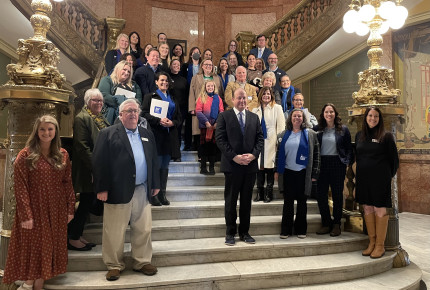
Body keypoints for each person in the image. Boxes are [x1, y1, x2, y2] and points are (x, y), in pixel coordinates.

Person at [3, 115, 75, 290]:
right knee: (36, 248)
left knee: (49, 247)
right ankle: (29, 284)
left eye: (50, 129)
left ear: (55, 131)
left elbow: (67, 182)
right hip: (35, 208)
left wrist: (70, 208)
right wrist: (26, 215)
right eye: (42, 129)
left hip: (57, 208)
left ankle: (37, 285)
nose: (46, 132)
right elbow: (20, 187)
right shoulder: (25, 155)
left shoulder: (62, 154)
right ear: (36, 131)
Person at [93, 99, 160, 281]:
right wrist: (101, 188)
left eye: (135, 111)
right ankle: (114, 265)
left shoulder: (146, 134)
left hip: (142, 189)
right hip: (116, 190)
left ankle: (142, 261)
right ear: (120, 115)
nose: (132, 114)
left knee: (143, 228)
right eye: (128, 111)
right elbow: (99, 164)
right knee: (114, 230)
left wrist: (155, 183)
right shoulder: (107, 134)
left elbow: (153, 159)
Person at [216, 88, 264, 246]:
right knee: (230, 201)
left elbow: (260, 139)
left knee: (246, 201)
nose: (242, 101)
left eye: (244, 98)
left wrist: (253, 155)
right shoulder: (224, 116)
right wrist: (235, 157)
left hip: (249, 166)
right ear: (232, 99)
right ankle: (230, 232)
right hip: (232, 165)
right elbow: (220, 140)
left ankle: (245, 232)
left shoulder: (254, 117)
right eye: (239, 98)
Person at [355, 106, 399, 259]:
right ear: (365, 117)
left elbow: (394, 161)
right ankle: (371, 242)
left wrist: (386, 176)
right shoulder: (359, 135)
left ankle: (380, 245)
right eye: (370, 116)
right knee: (367, 208)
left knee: (379, 209)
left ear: (379, 119)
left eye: (376, 116)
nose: (372, 119)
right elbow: (358, 157)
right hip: (363, 179)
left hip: (380, 180)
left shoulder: (386, 136)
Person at [68, 89, 109, 251]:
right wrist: (96, 168)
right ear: (87, 102)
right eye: (95, 100)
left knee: (88, 202)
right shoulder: (81, 118)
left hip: (97, 167)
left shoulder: (99, 117)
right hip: (88, 169)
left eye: (100, 100)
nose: (99, 103)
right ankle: (73, 238)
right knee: (85, 203)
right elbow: (82, 146)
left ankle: (76, 234)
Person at [276, 109, 320, 239]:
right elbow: (279, 154)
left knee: (302, 203)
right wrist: (277, 171)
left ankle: (301, 229)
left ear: (303, 118)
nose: (297, 118)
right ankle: (286, 230)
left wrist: (315, 173)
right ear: (290, 118)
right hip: (288, 173)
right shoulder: (283, 134)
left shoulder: (310, 134)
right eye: (294, 116)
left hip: (303, 173)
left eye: (299, 116)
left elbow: (316, 154)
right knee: (288, 202)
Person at [142, 71, 181, 206]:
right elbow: (144, 114)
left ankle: (163, 194)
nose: (164, 83)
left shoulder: (174, 98)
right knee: (156, 165)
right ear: (156, 82)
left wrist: (172, 123)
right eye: (162, 80)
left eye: (166, 81)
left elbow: (179, 118)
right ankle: (154, 195)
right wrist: (158, 120)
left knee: (165, 166)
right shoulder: (150, 97)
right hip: (156, 135)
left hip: (170, 136)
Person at [315, 103, 353, 237]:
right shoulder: (318, 129)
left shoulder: (343, 129)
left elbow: (349, 149)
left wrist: (346, 162)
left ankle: (336, 224)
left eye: (331, 112)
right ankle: (326, 223)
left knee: (337, 195)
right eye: (326, 112)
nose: (329, 114)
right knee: (321, 195)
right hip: (322, 164)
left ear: (335, 114)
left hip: (337, 164)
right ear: (323, 114)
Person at [252, 87, 285, 202]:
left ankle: (268, 193)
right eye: (264, 94)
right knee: (259, 168)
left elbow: (281, 127)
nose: (266, 96)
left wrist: (279, 143)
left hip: (271, 141)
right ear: (260, 95)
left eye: (268, 94)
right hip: (259, 142)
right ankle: (259, 193)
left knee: (270, 168)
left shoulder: (277, 108)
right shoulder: (255, 110)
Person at [189, 59, 224, 151]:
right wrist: (192, 107)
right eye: (206, 64)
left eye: (210, 65)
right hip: (200, 106)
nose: (208, 66)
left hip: (214, 109)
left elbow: (221, 93)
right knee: (200, 130)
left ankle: (211, 154)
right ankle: (201, 152)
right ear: (202, 66)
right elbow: (191, 92)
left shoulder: (217, 78)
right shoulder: (196, 77)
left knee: (213, 131)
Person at [98, 60, 142, 125]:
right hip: (109, 116)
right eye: (124, 69)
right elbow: (104, 96)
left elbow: (138, 102)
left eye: (129, 72)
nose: (126, 73)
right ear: (117, 69)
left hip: (129, 118)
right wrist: (123, 102)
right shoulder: (107, 80)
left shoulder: (134, 85)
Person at [196, 80, 224, 174]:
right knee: (204, 147)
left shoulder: (218, 98)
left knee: (212, 147)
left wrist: (216, 123)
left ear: (214, 87)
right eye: (208, 86)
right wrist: (206, 122)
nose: (210, 87)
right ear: (205, 87)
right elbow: (198, 111)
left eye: (212, 86)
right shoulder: (201, 97)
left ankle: (211, 168)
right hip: (205, 126)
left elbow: (221, 111)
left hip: (214, 126)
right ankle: (203, 168)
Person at [169, 59, 189, 156]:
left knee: (178, 130)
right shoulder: (167, 78)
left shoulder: (183, 80)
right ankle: (170, 152)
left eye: (178, 64)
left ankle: (177, 154)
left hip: (181, 110)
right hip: (169, 109)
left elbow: (187, 95)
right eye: (174, 64)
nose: (176, 66)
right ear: (170, 66)